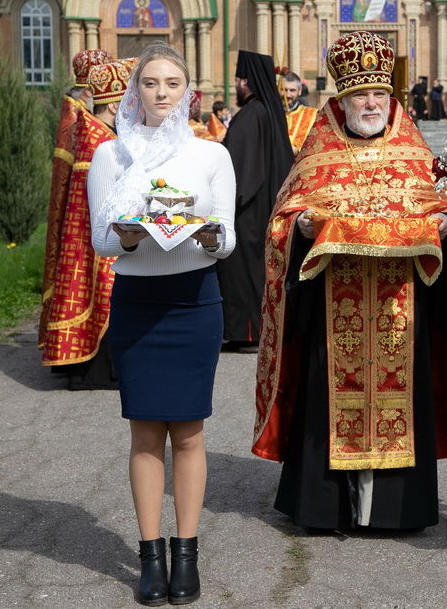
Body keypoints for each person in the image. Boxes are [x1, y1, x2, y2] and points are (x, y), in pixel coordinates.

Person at [253, 30, 447, 531]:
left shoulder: (413, 151)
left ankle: (398, 510)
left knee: (403, 396)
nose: (371, 103)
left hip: (403, 307)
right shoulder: (317, 154)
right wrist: (301, 226)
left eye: (379, 93)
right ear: (343, 99)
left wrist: (446, 223)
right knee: (327, 395)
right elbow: (281, 220)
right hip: (333, 310)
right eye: (360, 95)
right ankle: (326, 506)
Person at [87, 43, 236, 605]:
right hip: (138, 302)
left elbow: (228, 238)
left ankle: (187, 553)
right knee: (146, 432)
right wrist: (127, 236)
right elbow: (101, 241)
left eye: (172, 83)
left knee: (190, 433)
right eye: (150, 82)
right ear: (136, 91)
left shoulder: (211, 154)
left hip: (195, 301)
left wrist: (209, 236)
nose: (161, 93)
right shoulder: (111, 156)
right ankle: (150, 554)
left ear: (188, 90)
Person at [39, 59, 133, 389]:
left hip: (90, 230)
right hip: (96, 231)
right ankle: (97, 373)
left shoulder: (92, 128)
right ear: (116, 105)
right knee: (103, 294)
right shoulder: (99, 137)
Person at [217, 51, 295, 352]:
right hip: (264, 204)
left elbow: (238, 163)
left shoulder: (251, 114)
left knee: (243, 271)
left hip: (247, 209)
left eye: (238, 79)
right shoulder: (268, 110)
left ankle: (247, 333)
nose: (236, 84)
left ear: (245, 81)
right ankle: (252, 331)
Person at [283, 71, 318, 154]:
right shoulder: (270, 114)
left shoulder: (313, 115)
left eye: (292, 90)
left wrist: (296, 150)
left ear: (299, 91)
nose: (287, 95)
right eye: (284, 90)